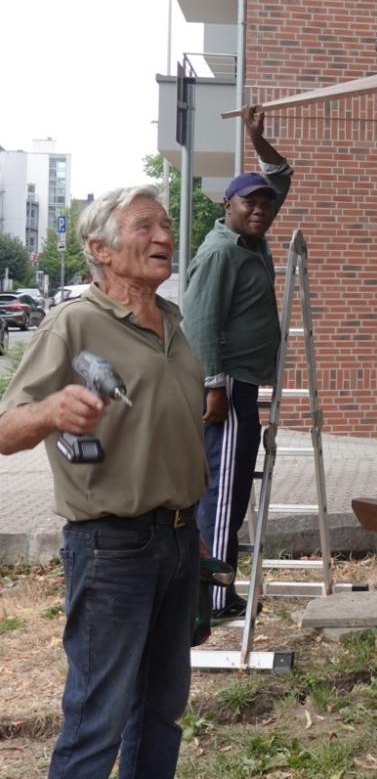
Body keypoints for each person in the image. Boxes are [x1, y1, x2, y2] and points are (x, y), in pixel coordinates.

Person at [0, 186, 207, 779]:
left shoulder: (172, 321)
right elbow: (8, 427)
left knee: (162, 713)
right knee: (99, 719)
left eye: (166, 225)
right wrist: (51, 411)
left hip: (175, 537)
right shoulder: (75, 323)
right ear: (101, 249)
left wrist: (188, 520)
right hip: (112, 546)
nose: (164, 236)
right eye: (145, 226)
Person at [182, 105, 293, 618]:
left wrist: (257, 138)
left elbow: (280, 175)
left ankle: (213, 589)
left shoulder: (254, 239)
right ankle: (216, 596)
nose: (261, 210)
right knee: (222, 496)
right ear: (227, 204)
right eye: (250, 203)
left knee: (230, 489)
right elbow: (200, 321)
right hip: (226, 389)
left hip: (242, 385)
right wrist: (213, 386)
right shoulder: (222, 251)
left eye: (265, 206)